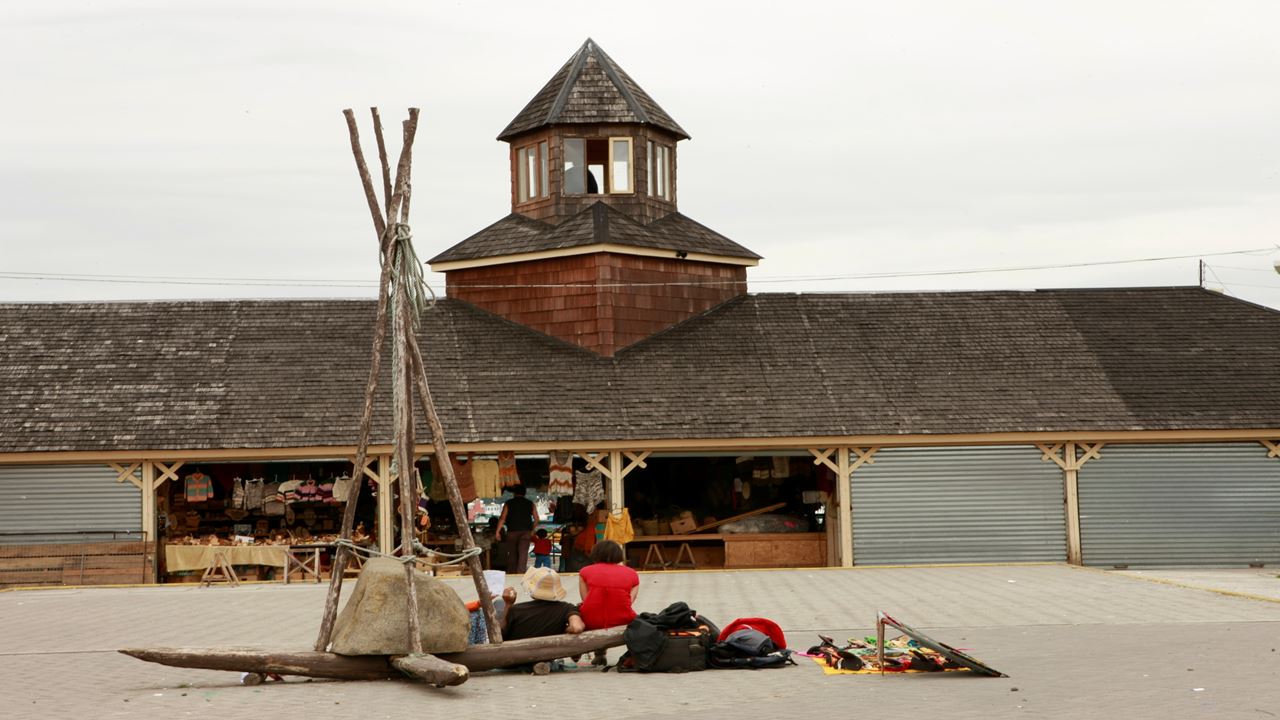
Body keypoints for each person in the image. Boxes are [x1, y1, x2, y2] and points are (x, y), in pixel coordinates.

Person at [578, 539, 639, 666]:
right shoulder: (632, 574)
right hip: (622, 618)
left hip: (591, 620)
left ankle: (598, 653)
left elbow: (585, 599)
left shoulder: (585, 571)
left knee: (582, 610)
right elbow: (629, 601)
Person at [503, 567, 585, 641]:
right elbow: (577, 627)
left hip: (518, 655)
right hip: (551, 655)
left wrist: (508, 604)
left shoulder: (516, 610)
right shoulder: (567, 608)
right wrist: (564, 631)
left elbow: (500, 635)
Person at [496, 485, 539, 574]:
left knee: (512, 554)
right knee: (523, 554)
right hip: (526, 532)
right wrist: (532, 530)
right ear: (524, 493)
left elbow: (502, 518)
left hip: (512, 532)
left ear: (514, 493)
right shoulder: (530, 503)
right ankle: (521, 574)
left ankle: (512, 574)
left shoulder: (509, 503)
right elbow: (536, 519)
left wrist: (497, 532)